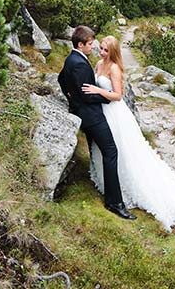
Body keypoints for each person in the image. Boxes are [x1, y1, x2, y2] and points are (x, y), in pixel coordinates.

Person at [82, 35, 175, 230]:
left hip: (115, 112)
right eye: (101, 48)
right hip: (101, 111)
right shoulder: (98, 64)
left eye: (105, 49)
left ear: (112, 52)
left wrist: (97, 92)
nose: (101, 51)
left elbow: (117, 95)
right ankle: (111, 185)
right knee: (106, 148)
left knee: (122, 149)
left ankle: (126, 188)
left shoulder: (114, 68)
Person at [58, 26, 136, 220]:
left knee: (99, 150)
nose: (93, 48)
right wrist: (105, 98)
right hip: (92, 116)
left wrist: (70, 96)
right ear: (80, 44)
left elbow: (61, 79)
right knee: (111, 151)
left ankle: (101, 183)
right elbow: (87, 94)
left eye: (97, 45)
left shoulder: (71, 59)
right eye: (91, 44)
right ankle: (114, 203)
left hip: (89, 113)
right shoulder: (81, 64)